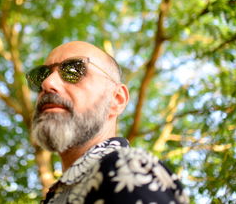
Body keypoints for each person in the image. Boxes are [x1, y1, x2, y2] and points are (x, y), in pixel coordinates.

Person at [27, 41, 189, 204]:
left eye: (73, 70)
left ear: (116, 99)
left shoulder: (127, 169)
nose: (47, 83)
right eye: (42, 75)